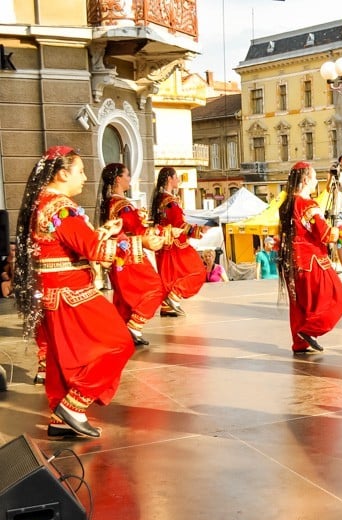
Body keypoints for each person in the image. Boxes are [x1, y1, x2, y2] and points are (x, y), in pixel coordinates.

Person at [13, 146, 149, 437]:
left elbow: (68, 242)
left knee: (63, 359)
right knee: (119, 342)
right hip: (70, 291)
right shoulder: (60, 206)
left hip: (54, 291)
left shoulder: (42, 202)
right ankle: (73, 406)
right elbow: (93, 249)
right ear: (63, 173)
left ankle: (61, 419)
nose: (85, 177)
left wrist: (103, 231)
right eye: (80, 170)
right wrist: (139, 245)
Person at [277, 161, 342, 354]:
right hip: (312, 260)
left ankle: (299, 343)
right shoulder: (308, 205)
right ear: (306, 179)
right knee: (337, 298)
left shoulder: (285, 205)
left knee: (299, 304)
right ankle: (309, 331)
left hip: (291, 261)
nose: (317, 180)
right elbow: (324, 234)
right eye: (315, 176)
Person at [98, 163, 165, 346]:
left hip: (117, 255)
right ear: (118, 178)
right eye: (127, 175)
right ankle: (134, 326)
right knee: (155, 289)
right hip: (129, 254)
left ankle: (120, 331)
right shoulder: (122, 205)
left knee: (123, 298)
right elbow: (136, 229)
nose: (129, 178)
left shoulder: (109, 202)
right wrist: (155, 231)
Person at [150, 167, 205, 317]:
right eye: (176, 177)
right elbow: (179, 224)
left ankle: (167, 306)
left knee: (169, 277)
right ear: (169, 179)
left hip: (165, 245)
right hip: (176, 245)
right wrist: (199, 231)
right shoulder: (170, 201)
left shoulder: (160, 199)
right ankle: (173, 297)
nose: (178, 180)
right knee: (198, 271)